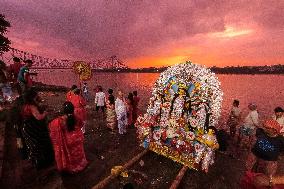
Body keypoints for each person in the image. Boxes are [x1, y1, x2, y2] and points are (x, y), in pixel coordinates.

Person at [241, 119, 284, 189]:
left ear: (274, 130)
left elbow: (282, 150)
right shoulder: (260, 132)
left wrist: (277, 155)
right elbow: (252, 138)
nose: (265, 128)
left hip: (269, 161)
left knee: (267, 178)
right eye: (265, 127)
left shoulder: (280, 139)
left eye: (267, 128)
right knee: (249, 171)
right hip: (254, 156)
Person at [49, 101, 88, 173]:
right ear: (73, 109)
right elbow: (81, 124)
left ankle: (73, 167)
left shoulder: (59, 121)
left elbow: (51, 127)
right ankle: (81, 165)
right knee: (78, 152)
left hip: (68, 140)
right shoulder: (77, 117)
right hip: (78, 138)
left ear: (63, 110)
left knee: (70, 154)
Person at [21, 89, 54, 169]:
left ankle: (37, 161)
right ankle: (43, 163)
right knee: (39, 144)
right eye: (36, 96)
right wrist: (45, 113)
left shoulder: (25, 105)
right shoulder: (32, 106)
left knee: (33, 145)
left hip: (28, 127)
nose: (37, 96)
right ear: (32, 97)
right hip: (33, 128)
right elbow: (39, 117)